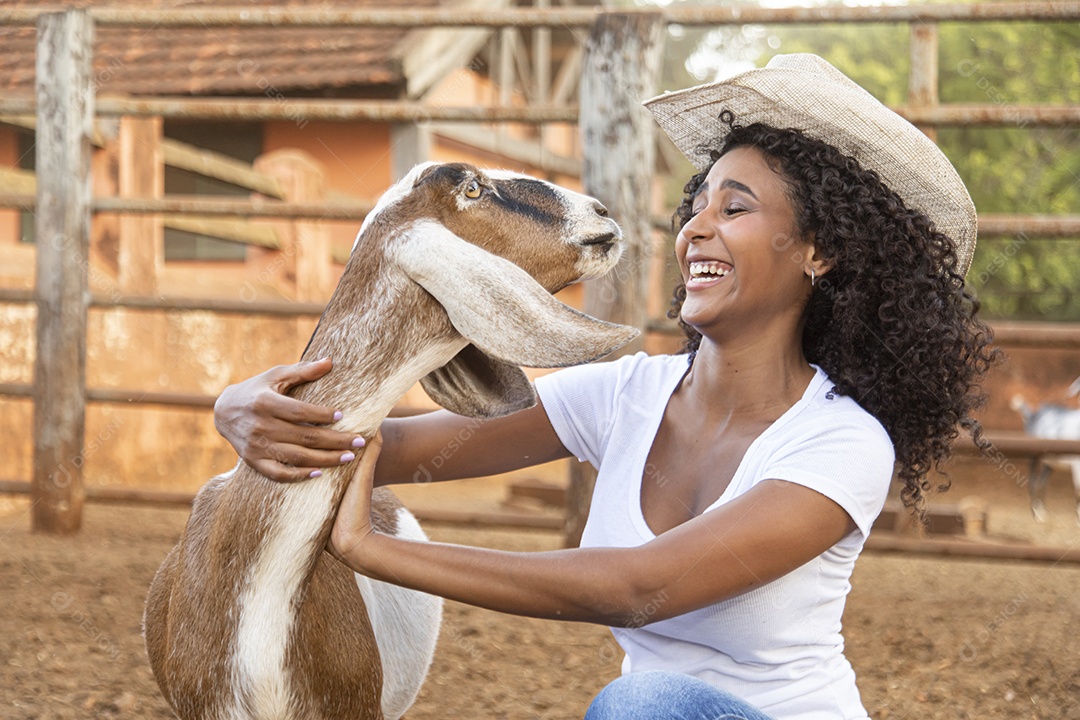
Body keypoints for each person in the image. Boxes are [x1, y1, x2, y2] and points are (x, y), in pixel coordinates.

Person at [213, 54, 997, 720]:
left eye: (737, 207)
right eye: (698, 204)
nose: (696, 227)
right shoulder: (627, 395)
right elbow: (386, 449)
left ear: (818, 253)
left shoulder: (843, 441)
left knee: (640, 704)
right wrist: (243, 409)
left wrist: (373, 551)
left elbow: (636, 589)